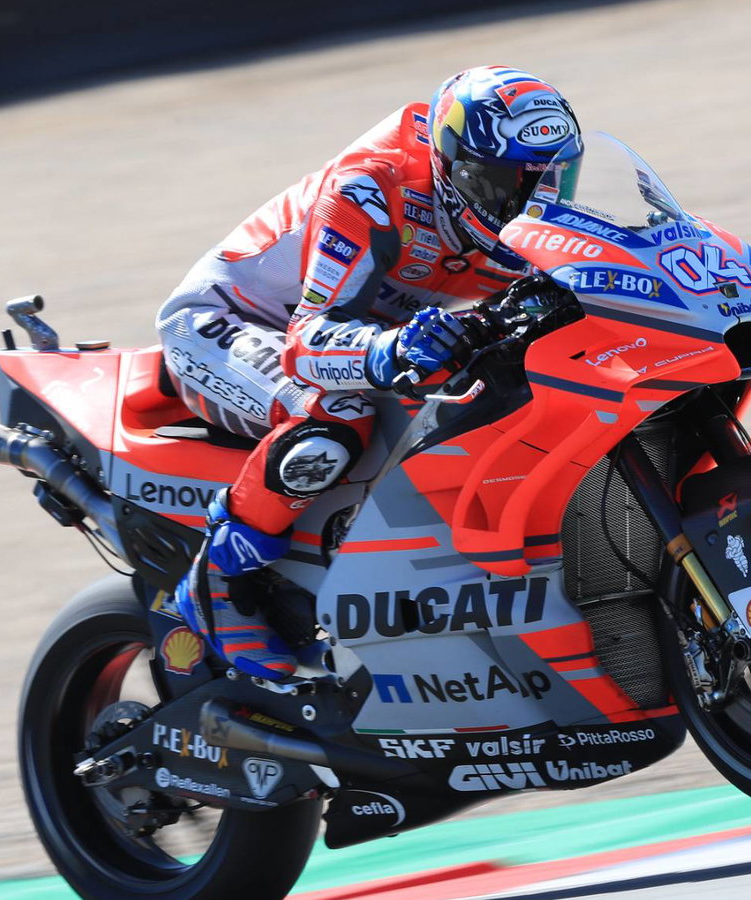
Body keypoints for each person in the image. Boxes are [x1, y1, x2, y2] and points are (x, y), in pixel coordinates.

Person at [156, 65, 582, 679]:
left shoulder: (515, 211)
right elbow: (307, 345)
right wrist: (392, 349)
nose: (534, 201)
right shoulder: (371, 188)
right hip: (227, 324)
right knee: (338, 414)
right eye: (507, 182)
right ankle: (218, 579)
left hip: (368, 326)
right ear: (455, 169)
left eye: (553, 178)